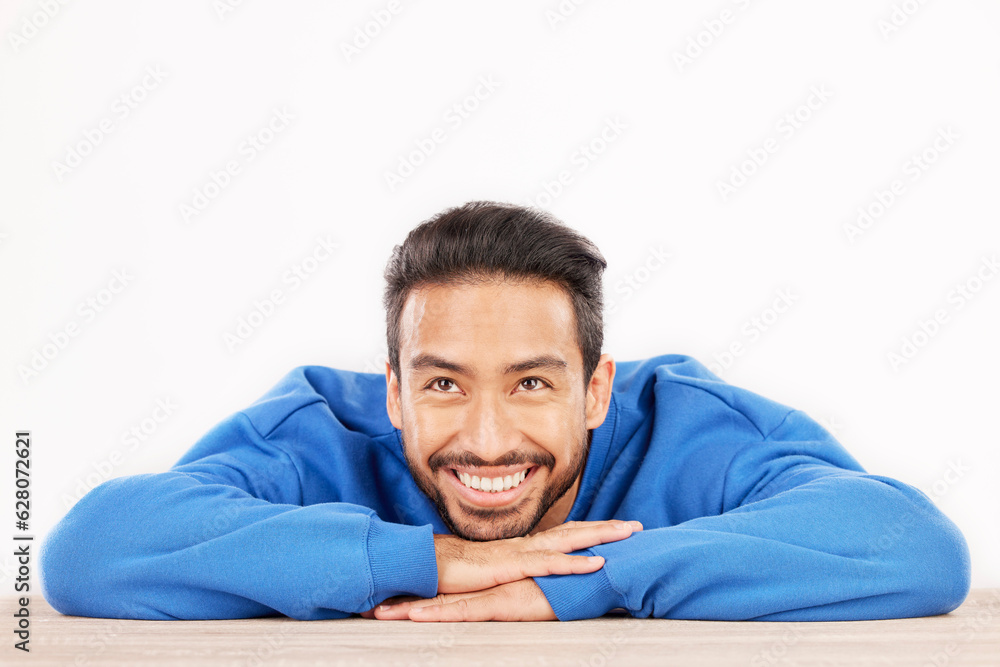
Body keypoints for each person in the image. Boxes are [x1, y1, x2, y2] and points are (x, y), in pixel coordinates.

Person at [39, 201, 971, 622]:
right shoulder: (317, 428)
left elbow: (914, 549)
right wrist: (437, 563)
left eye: (531, 382)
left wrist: (584, 580)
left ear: (597, 387)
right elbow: (91, 551)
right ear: (394, 390)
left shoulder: (694, 425)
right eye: (443, 384)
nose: (487, 439)